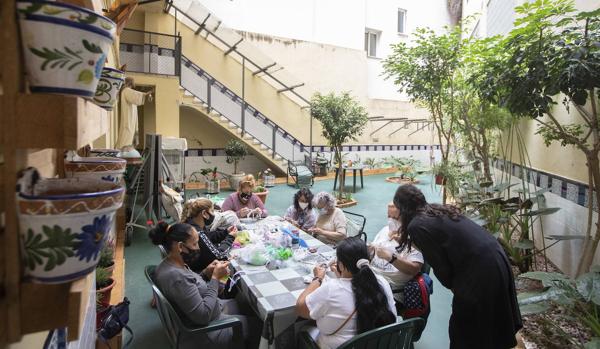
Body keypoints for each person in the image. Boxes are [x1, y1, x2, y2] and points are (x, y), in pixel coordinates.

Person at [393, 184, 522, 349]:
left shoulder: (417, 225)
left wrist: (457, 288)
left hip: (480, 269)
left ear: (403, 208)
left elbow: (441, 267)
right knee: (492, 321)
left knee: (465, 327)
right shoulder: (436, 210)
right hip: (496, 257)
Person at [149, 222, 260, 349]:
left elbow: (190, 287)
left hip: (212, 310)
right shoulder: (177, 278)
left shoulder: (172, 264)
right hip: (206, 333)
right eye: (195, 243)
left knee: (247, 305)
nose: (198, 248)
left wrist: (206, 273)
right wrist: (215, 279)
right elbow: (203, 316)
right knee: (260, 326)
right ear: (180, 246)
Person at [296, 237, 397, 349]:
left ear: (341, 264)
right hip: (379, 343)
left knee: (303, 328)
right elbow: (354, 289)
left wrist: (318, 278)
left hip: (338, 346)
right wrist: (343, 276)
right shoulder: (382, 281)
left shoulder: (332, 289)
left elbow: (301, 309)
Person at [369, 202, 423, 297]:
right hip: (372, 279)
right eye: (388, 216)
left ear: (406, 218)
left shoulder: (413, 238)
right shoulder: (385, 230)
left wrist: (391, 258)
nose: (390, 221)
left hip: (392, 290)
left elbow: (414, 269)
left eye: (395, 218)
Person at [179, 198, 237, 273]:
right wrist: (231, 237)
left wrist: (226, 232)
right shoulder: (196, 232)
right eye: (212, 211)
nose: (214, 214)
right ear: (204, 214)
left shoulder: (190, 224)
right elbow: (219, 256)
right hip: (198, 272)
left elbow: (208, 236)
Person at [115, 77, 153, 149]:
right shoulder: (126, 90)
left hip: (131, 118)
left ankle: (125, 149)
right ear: (130, 82)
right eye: (133, 82)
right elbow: (136, 96)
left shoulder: (126, 91)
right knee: (127, 132)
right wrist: (145, 94)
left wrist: (145, 94)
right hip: (128, 118)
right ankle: (122, 149)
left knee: (129, 133)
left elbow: (135, 98)